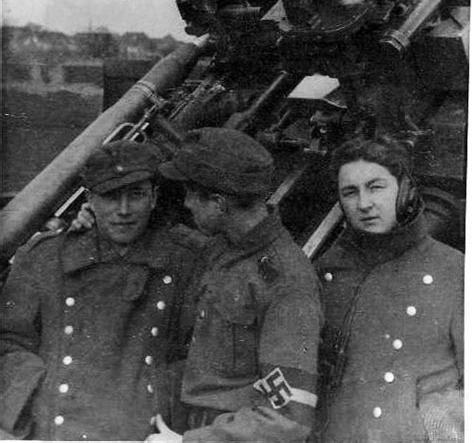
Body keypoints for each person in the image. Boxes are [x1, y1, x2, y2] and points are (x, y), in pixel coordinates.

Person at [0, 140, 197, 440]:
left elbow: (197, 354)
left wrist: (160, 401)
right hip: (55, 427)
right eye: (110, 197)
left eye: (136, 195)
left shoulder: (184, 261)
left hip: (144, 428)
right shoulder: (45, 256)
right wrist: (37, 398)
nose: (124, 210)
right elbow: (10, 341)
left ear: (154, 198)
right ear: (89, 199)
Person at [149, 127, 322, 443]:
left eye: (190, 193)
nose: (186, 203)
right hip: (195, 423)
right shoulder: (225, 247)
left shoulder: (286, 283)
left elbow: (288, 419)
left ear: (218, 203)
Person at [313, 137, 464, 443]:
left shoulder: (454, 270)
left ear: (405, 190)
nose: (364, 204)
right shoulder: (327, 269)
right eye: (350, 193)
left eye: (376, 187)